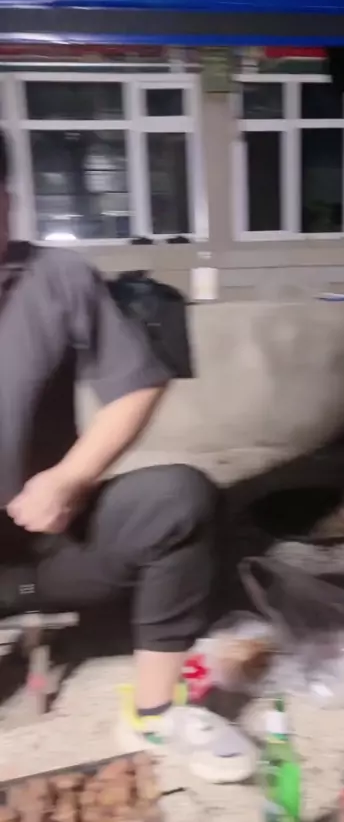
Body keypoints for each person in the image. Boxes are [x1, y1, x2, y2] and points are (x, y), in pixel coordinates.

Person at [0, 131, 255, 784]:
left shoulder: (56, 278)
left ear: (7, 202)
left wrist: (70, 477)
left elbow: (138, 383)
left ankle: (152, 714)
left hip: (51, 551)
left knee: (179, 500)